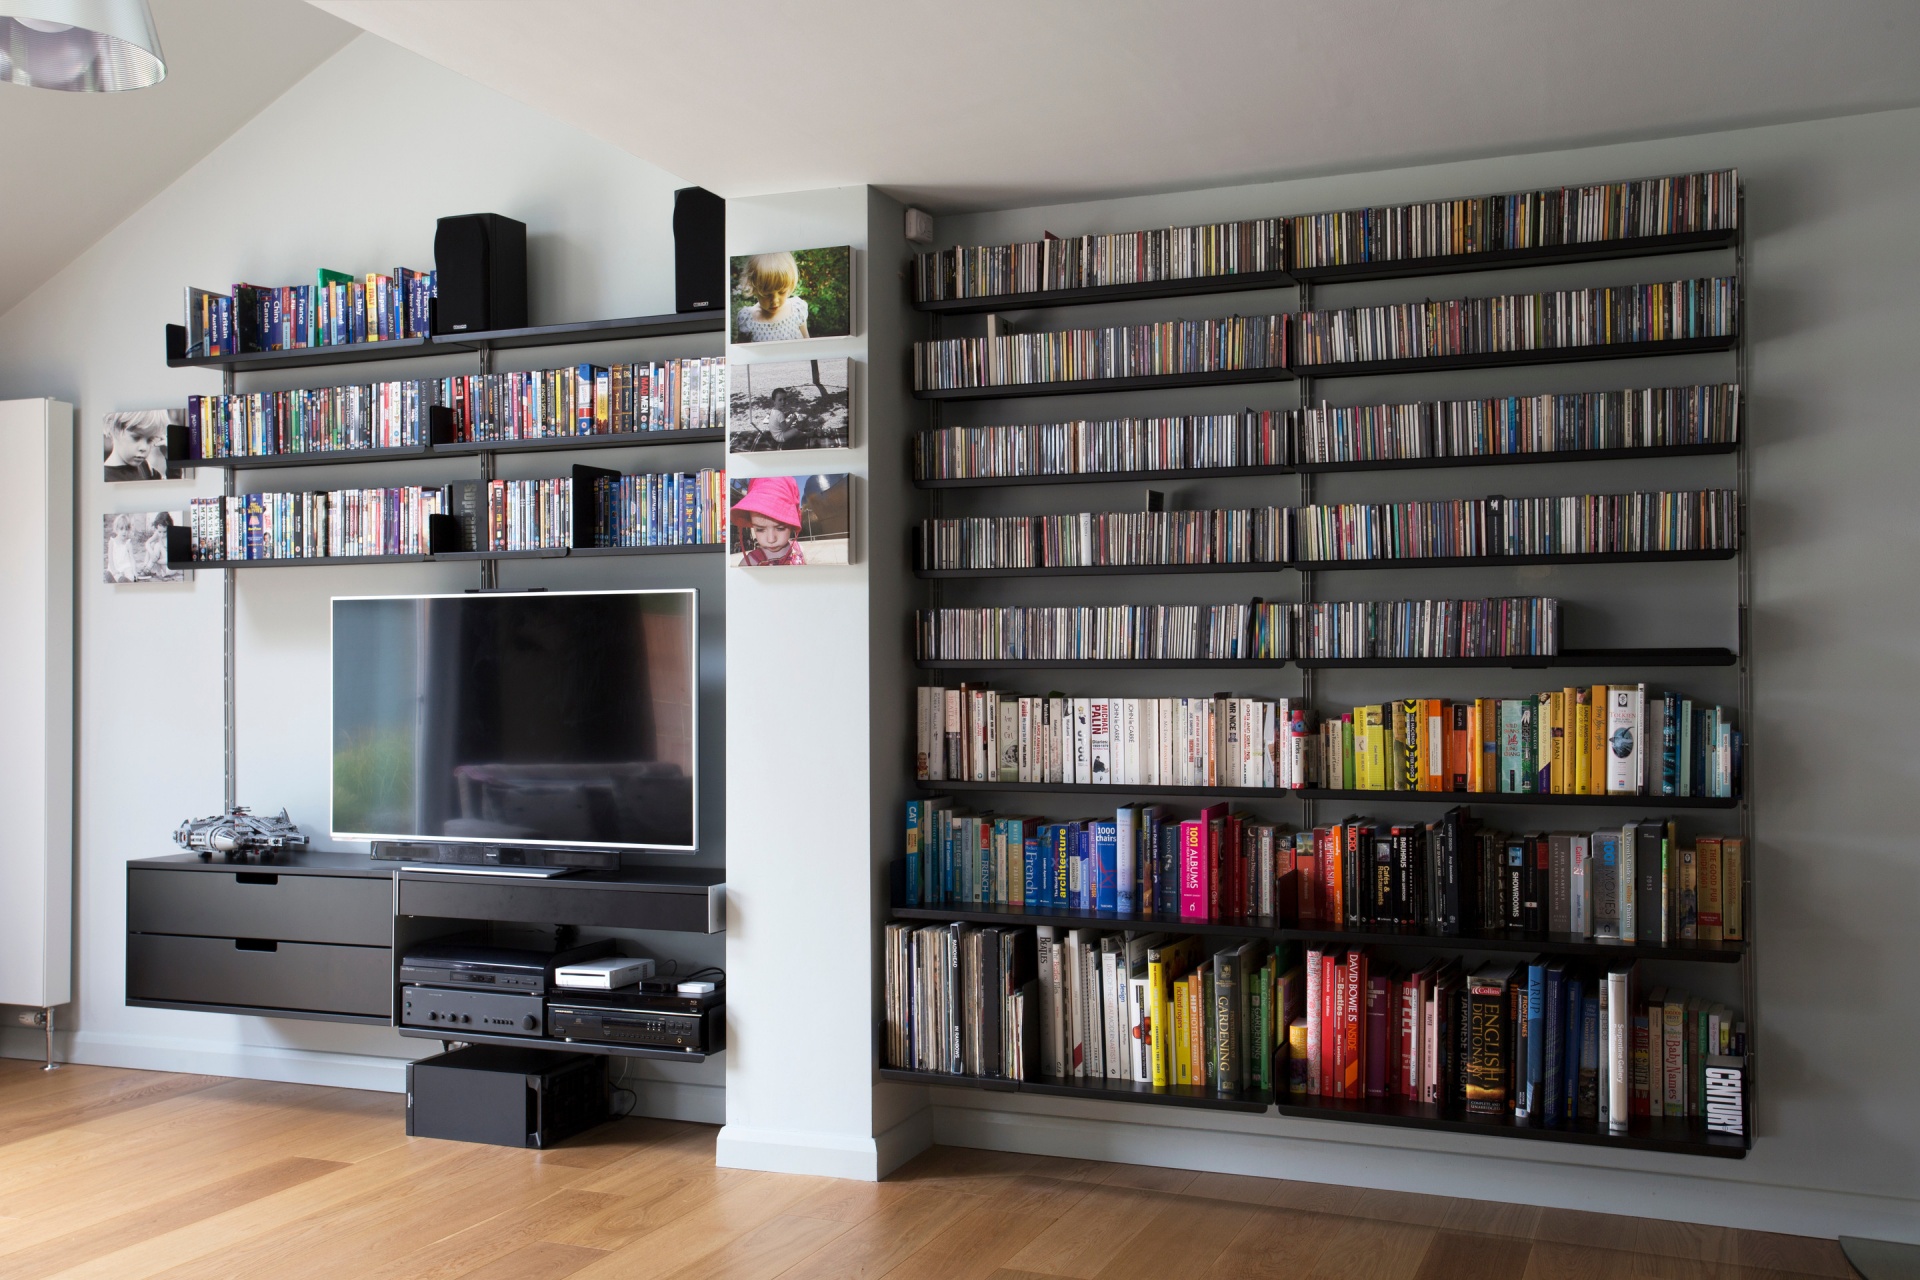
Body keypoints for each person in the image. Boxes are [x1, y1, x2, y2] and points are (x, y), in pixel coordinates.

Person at [732, 252, 810, 342]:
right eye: (767, 294)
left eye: (782, 292)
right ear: (754, 288)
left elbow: (807, 341)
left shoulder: (797, 310)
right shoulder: (747, 320)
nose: (775, 300)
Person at [730, 475, 807, 565]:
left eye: (780, 528)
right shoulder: (749, 563)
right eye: (760, 529)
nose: (771, 540)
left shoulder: (799, 550)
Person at [103, 410, 171, 482]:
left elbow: (170, 487)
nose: (144, 448)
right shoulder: (104, 478)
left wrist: (172, 460)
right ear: (115, 429)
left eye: (150, 440)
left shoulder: (145, 467)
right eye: (136, 438)